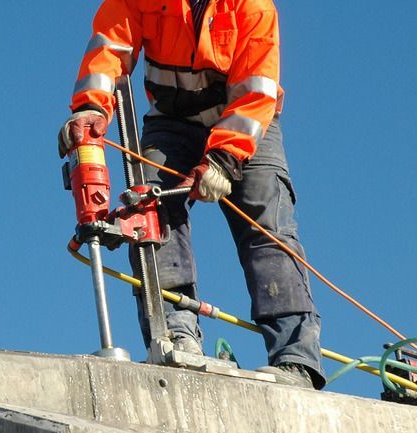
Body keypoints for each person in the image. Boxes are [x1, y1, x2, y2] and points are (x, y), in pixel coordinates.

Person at [58, 0, 324, 389]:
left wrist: (226, 158)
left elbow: (256, 92)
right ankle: (175, 335)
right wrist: (89, 110)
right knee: (148, 205)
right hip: (172, 122)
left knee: (267, 223)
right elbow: (110, 47)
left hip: (245, 123)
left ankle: (295, 359)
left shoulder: (252, 6)